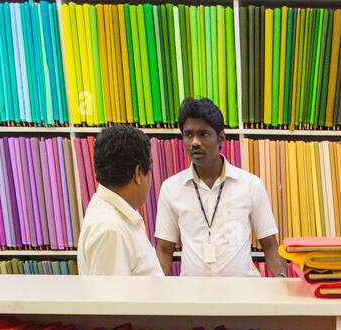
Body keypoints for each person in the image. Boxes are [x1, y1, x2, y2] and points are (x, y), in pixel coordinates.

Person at [154, 97, 285, 278]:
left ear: (221, 138)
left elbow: (270, 245)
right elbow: (164, 249)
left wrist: (282, 282)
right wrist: (156, 295)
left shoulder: (251, 185)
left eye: (203, 134)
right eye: (188, 135)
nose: (195, 142)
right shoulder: (171, 188)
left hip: (243, 296)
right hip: (194, 297)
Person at [77, 125, 163, 276]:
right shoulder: (111, 229)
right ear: (137, 174)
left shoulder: (115, 215)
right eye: (149, 171)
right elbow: (113, 298)